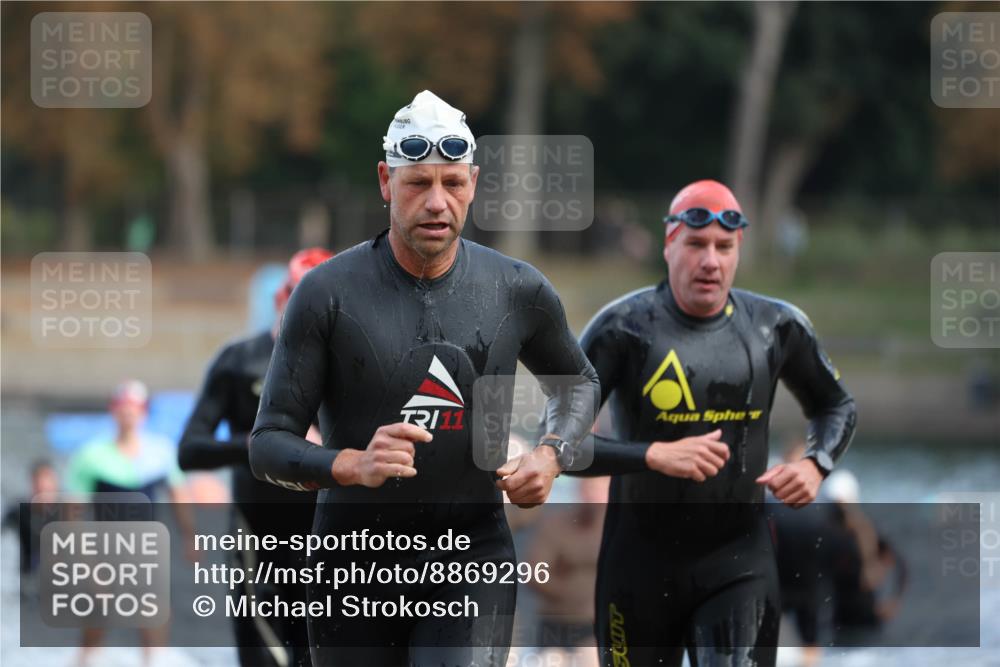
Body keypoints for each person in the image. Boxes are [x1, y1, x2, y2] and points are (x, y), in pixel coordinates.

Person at [249, 90, 600, 667]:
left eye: (453, 184)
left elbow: (578, 383)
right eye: (418, 184)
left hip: (470, 555)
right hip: (352, 561)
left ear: (474, 184)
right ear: (386, 181)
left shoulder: (516, 289)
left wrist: (552, 453)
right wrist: (352, 464)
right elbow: (267, 445)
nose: (437, 202)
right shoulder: (327, 294)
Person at [571, 180, 857, 667]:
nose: (711, 261)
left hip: (738, 565)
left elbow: (837, 405)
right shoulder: (621, 329)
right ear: (669, 245)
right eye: (696, 244)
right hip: (637, 567)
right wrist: (652, 455)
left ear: (738, 249)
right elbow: (556, 446)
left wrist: (816, 464)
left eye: (724, 248)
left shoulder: (775, 327)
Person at [178, 248, 333, 667]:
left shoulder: (350, 368)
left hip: (325, 536)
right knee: (260, 654)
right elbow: (189, 451)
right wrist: (259, 445)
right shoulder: (239, 362)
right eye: (301, 298)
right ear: (280, 300)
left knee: (318, 654)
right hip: (255, 534)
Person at [66, 380, 194, 667]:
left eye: (134, 409)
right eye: (122, 409)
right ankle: (84, 661)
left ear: (144, 412)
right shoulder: (92, 456)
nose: (128, 415)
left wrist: (190, 537)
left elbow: (179, 496)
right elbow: (73, 509)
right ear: (113, 412)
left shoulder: (160, 452)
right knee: (97, 617)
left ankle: (153, 662)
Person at [526, 476, 609, 667]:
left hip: (595, 628)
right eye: (590, 488)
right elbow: (534, 572)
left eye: (601, 489)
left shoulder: (619, 529)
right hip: (556, 623)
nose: (594, 496)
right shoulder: (556, 525)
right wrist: (568, 594)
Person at [2, 459, 59, 575]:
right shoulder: (20, 512)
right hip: (29, 576)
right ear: (33, 485)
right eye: (40, 484)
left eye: (48, 482)